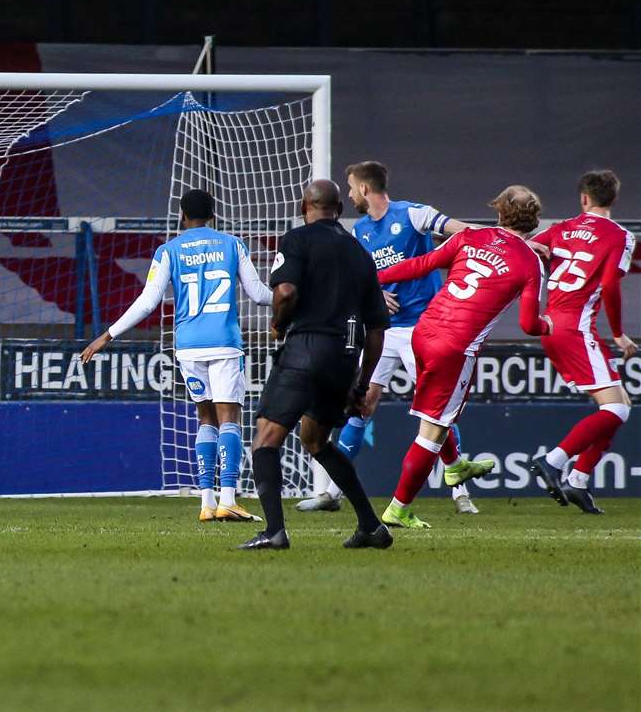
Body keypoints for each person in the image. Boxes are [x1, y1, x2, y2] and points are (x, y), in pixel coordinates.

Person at [299, 162, 482, 514]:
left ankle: (461, 493)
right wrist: (374, 293)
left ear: (366, 189)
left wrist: (500, 241)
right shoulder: (360, 232)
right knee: (360, 402)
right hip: (382, 329)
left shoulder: (413, 214)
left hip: (424, 328)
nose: (349, 194)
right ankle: (333, 493)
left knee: (436, 413)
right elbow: (353, 278)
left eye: (351, 187)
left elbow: (463, 231)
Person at [80, 188, 272, 522]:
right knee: (229, 418)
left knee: (205, 418)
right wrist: (292, 300)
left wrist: (108, 334)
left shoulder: (168, 251)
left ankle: (206, 503)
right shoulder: (232, 245)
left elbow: (147, 301)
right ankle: (228, 498)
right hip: (224, 343)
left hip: (188, 346)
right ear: (213, 215)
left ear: (182, 216)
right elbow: (257, 294)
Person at [377, 186, 552, 529]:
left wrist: (374, 278)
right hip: (455, 346)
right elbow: (529, 324)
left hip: (424, 332)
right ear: (534, 222)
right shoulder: (530, 262)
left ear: (500, 213)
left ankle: (455, 467)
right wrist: (549, 324)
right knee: (433, 428)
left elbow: (422, 264)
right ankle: (399, 508)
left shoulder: (472, 236)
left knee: (438, 419)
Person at [242, 179, 393, 552]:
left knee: (265, 438)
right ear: (338, 210)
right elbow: (376, 330)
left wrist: (278, 322)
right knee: (315, 440)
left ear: (303, 207)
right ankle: (371, 526)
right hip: (344, 358)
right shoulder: (361, 253)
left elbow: (286, 291)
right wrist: (362, 383)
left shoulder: (297, 239)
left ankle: (274, 531)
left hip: (307, 349)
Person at [528, 170, 636, 515]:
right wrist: (617, 331)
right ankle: (554, 461)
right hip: (576, 329)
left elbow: (525, 246)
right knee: (615, 409)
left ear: (584, 199)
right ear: (613, 199)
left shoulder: (560, 229)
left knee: (622, 405)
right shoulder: (620, 236)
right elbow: (611, 285)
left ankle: (578, 479)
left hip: (552, 326)